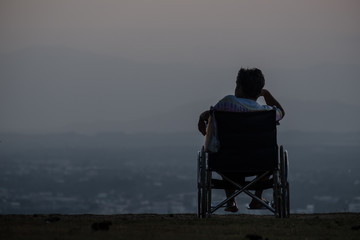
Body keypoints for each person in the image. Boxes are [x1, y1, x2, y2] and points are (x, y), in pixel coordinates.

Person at [197, 67, 285, 212]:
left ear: (239, 87)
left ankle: (231, 201)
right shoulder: (268, 112)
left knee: (225, 148)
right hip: (261, 164)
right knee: (265, 153)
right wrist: (266, 93)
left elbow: (210, 114)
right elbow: (282, 112)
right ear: (259, 91)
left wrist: (201, 118)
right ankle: (257, 198)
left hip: (226, 163)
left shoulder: (226, 104)